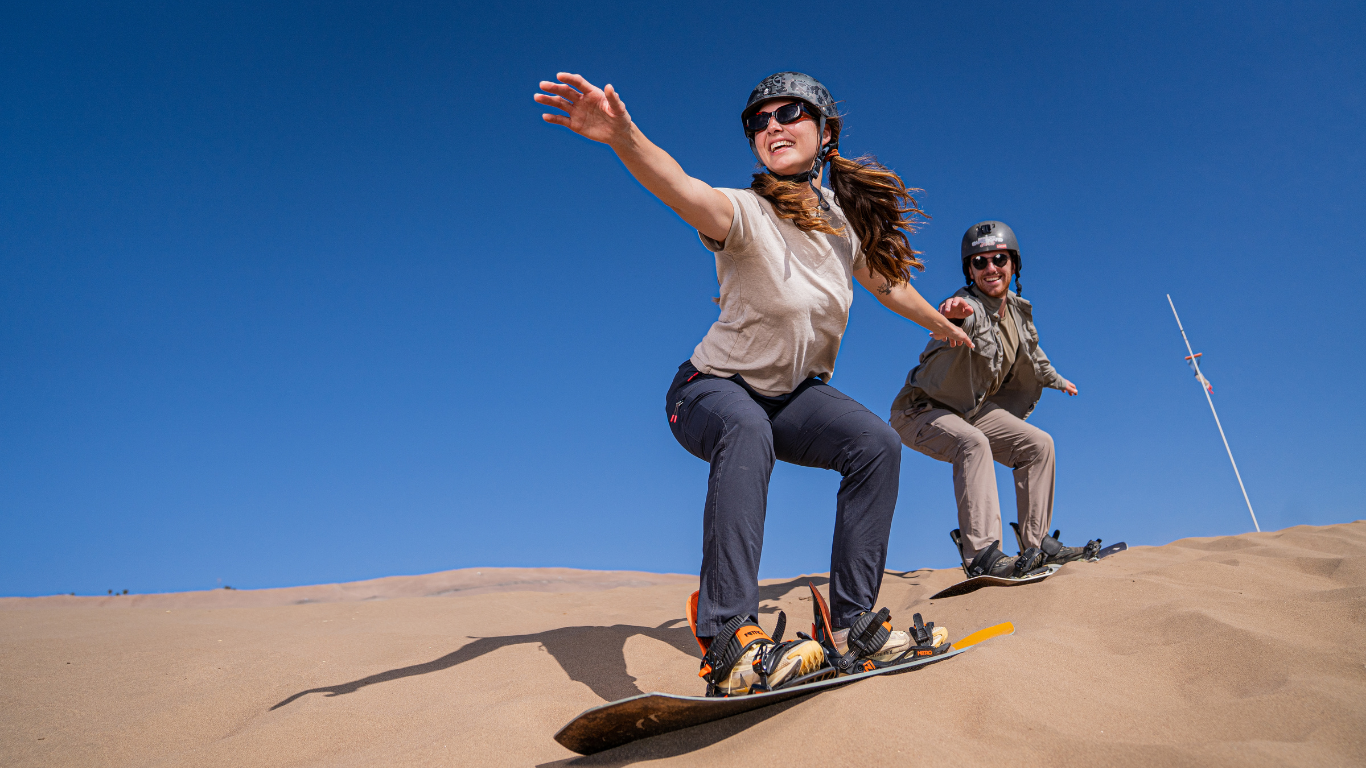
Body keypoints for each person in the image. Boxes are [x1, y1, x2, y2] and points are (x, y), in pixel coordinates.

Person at [536, 71, 968, 694]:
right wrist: (624, 137)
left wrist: (940, 323)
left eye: (789, 113)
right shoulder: (743, 212)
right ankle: (731, 638)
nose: (771, 126)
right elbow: (681, 188)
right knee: (744, 428)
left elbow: (885, 282)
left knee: (875, 444)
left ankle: (853, 629)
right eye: (757, 121)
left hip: (789, 396)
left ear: (825, 133)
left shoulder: (842, 229)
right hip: (708, 390)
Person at [889, 221, 1099, 580]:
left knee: (1039, 444)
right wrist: (951, 315)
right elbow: (954, 318)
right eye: (979, 262)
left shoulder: (1017, 311)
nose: (990, 269)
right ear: (969, 271)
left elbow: (1033, 354)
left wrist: (1057, 380)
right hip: (921, 409)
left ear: (1013, 264)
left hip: (970, 409)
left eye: (998, 259)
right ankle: (983, 554)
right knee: (973, 444)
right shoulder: (966, 307)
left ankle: (1036, 544)